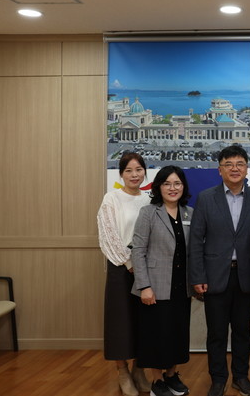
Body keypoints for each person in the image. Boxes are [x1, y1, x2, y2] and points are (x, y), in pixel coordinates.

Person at [188, 145, 250, 396]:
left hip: (246, 276)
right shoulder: (206, 198)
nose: (234, 169)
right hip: (214, 277)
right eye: (228, 164)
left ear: (247, 169)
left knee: (242, 331)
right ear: (219, 170)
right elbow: (196, 240)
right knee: (217, 333)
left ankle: (241, 377)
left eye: (240, 164)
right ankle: (218, 378)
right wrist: (197, 276)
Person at [131, 166, 194, 396]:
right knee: (156, 335)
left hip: (181, 285)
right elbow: (138, 250)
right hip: (155, 286)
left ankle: (171, 375)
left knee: (177, 333)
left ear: (183, 186)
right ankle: (157, 381)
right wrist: (144, 286)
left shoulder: (189, 213)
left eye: (177, 183)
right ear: (159, 187)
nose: (172, 188)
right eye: (167, 183)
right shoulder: (149, 213)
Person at [97, 152, 152, 396]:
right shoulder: (112, 198)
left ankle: (140, 369)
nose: (134, 175)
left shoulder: (150, 199)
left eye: (138, 169)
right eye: (128, 170)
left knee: (144, 320)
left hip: (147, 268)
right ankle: (122, 371)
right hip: (121, 267)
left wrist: (143, 265)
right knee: (120, 321)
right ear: (121, 174)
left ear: (145, 172)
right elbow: (108, 234)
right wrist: (130, 263)